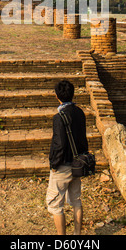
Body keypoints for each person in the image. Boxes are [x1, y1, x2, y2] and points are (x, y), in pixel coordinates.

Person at [46, 79, 88, 235]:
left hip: (63, 165)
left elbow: (59, 144)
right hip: (77, 164)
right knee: (76, 200)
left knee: (56, 205)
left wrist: (54, 164)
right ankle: (77, 235)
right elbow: (82, 137)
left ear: (57, 96)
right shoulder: (80, 112)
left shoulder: (59, 117)